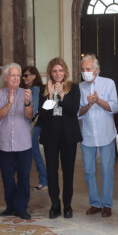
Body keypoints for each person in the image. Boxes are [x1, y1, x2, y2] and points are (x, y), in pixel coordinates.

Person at [38, 57, 82, 219]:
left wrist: (62, 94)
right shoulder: (45, 89)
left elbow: (72, 109)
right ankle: (55, 204)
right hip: (50, 136)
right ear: (51, 72)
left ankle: (68, 205)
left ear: (65, 72)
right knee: (51, 172)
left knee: (68, 172)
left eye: (60, 70)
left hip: (68, 136)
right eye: (55, 71)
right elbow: (43, 115)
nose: (58, 74)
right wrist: (50, 95)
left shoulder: (74, 88)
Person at [78, 54, 118, 218]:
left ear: (96, 70)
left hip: (106, 133)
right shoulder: (80, 87)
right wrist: (88, 105)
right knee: (88, 170)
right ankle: (95, 203)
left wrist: (98, 101)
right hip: (87, 134)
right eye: (82, 69)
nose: (85, 72)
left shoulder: (108, 83)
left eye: (88, 69)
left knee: (106, 169)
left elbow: (115, 107)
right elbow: (78, 113)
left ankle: (107, 204)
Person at [0, 63, 33, 220]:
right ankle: (10, 206)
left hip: (23, 143)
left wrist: (27, 103)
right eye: (13, 75)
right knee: (7, 177)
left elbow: (29, 116)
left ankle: (22, 207)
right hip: (4, 144)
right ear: (6, 78)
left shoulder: (26, 93)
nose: (16, 78)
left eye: (18, 75)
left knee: (23, 177)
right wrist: (9, 102)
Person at [20, 65, 47, 191]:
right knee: (31, 152)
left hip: (33, 124)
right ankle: (41, 180)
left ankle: (43, 180)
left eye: (26, 75)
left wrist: (30, 121)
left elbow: (35, 108)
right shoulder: (25, 89)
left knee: (33, 151)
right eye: (23, 75)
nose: (23, 77)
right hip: (28, 124)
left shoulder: (36, 89)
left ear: (34, 76)